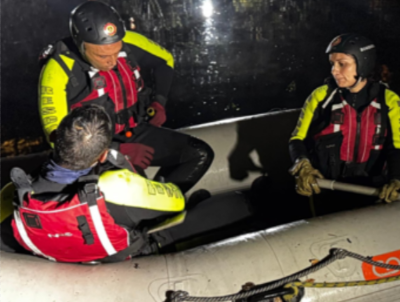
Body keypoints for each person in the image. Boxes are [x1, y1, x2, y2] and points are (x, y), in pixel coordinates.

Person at [7, 106, 253, 263]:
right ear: (103, 155)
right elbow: (175, 199)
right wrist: (123, 167)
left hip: (63, 257)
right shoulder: (115, 186)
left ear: (55, 139)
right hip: (125, 257)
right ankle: (254, 202)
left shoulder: (17, 191)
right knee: (238, 202)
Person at [38, 1, 212, 193]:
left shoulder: (129, 41)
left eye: (116, 51)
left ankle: (162, 211)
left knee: (199, 154)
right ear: (81, 45)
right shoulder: (57, 70)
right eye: (102, 56)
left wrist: (159, 102)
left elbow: (165, 61)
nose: (112, 61)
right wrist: (115, 152)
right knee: (129, 188)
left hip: (135, 130)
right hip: (93, 153)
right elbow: (58, 139)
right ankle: (148, 212)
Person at [289, 34, 400, 205]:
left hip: (374, 189)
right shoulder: (321, 96)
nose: (334, 71)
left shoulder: (389, 100)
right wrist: (303, 164)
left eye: (342, 64)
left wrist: (397, 179)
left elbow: (399, 145)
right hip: (326, 186)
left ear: (363, 64)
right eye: (332, 64)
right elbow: (297, 138)